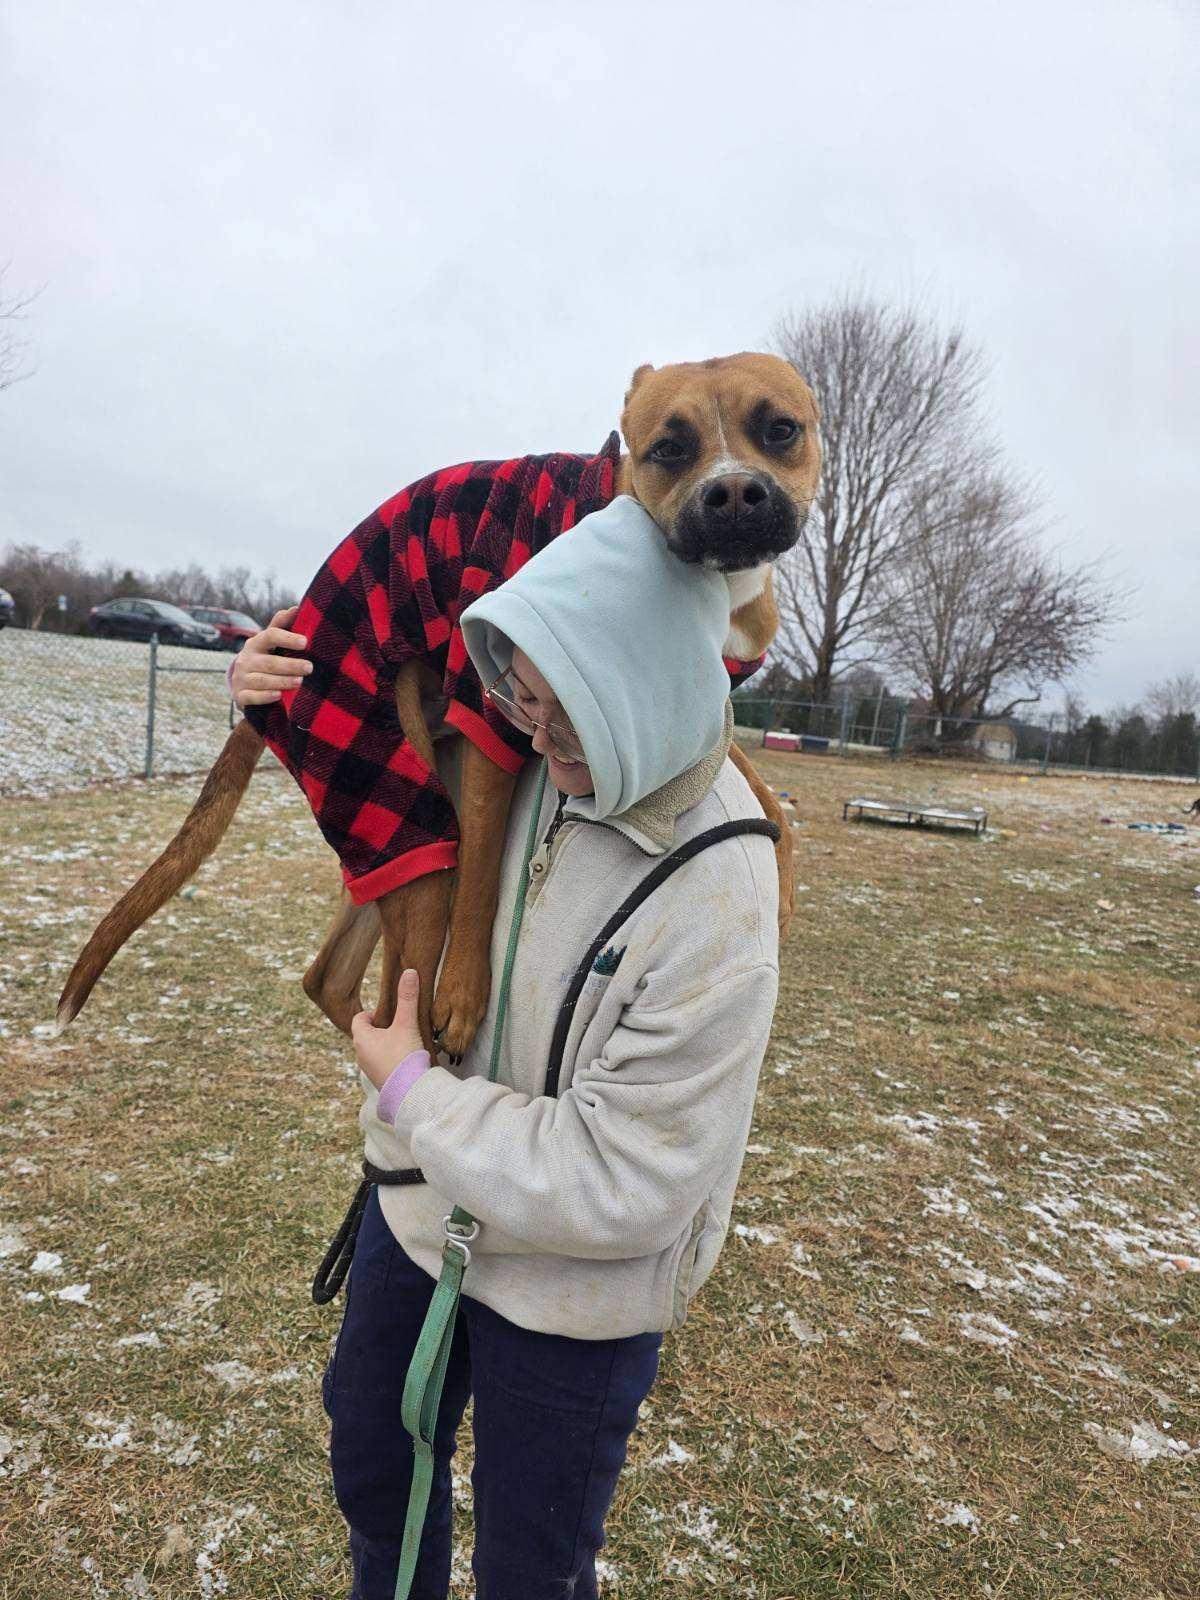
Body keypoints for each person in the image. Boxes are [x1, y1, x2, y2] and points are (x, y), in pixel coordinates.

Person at [231, 495, 780, 1600]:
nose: (527, 735)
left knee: (532, 1563)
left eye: (560, 710)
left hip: (574, 1293)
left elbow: (625, 1181)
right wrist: (267, 696)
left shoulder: (722, 895)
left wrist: (415, 1098)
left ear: (644, 680)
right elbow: (372, 761)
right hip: (425, 1217)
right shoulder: (533, 756)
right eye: (517, 700)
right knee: (380, 1467)